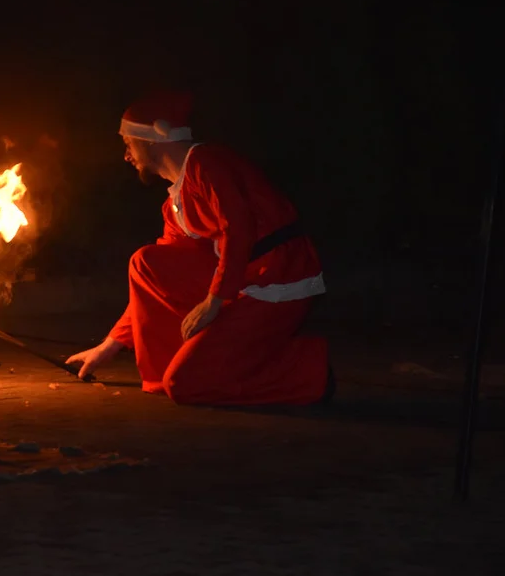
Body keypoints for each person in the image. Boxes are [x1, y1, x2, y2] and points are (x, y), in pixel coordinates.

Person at [66, 91, 333, 406]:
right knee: (146, 263)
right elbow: (152, 283)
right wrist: (108, 346)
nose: (126, 156)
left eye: (128, 144)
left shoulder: (206, 164)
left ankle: (306, 369)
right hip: (241, 282)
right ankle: (177, 365)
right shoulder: (174, 205)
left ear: (151, 139)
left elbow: (239, 228)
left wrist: (214, 301)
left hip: (274, 279)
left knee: (187, 384)